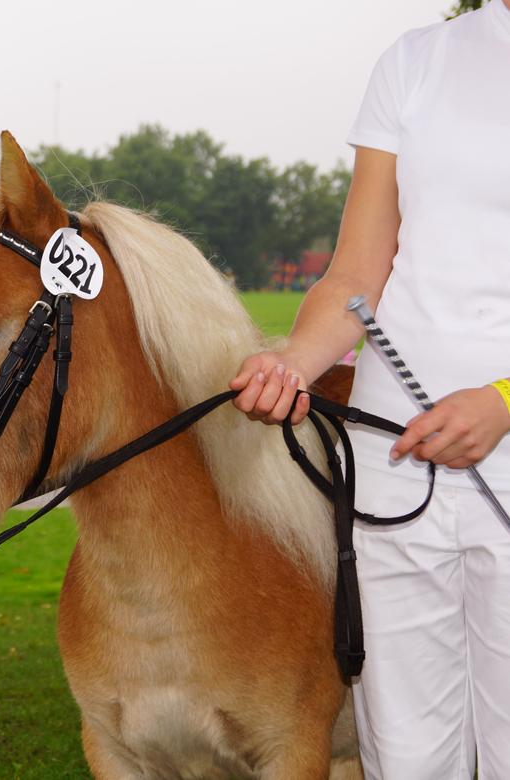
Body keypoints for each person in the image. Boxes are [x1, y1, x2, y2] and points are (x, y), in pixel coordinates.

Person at [229, 4, 510, 777]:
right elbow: (356, 272)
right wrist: (293, 363)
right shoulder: (416, 60)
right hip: (393, 469)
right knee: (408, 758)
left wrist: (504, 401)